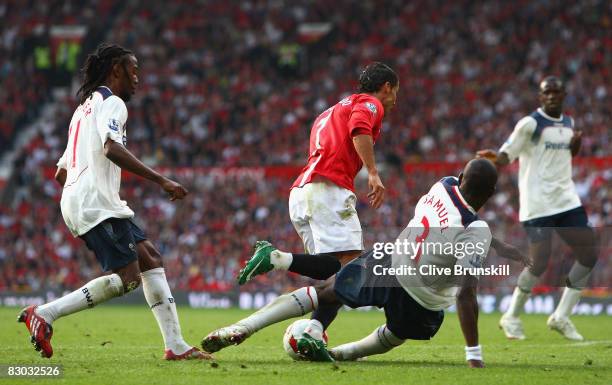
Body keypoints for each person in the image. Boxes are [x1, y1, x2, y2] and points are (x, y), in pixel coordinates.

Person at [203, 159, 526, 367]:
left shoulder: (442, 186)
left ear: (461, 177)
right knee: (397, 335)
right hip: (423, 299)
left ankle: (243, 326)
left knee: (326, 292)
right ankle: (341, 354)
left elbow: (460, 226)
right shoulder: (476, 230)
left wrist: (498, 244)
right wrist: (473, 354)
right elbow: (466, 294)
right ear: (493, 193)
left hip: (390, 262)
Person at [17, 43, 211, 360]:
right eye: (133, 70)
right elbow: (111, 149)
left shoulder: (82, 110)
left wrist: (85, 195)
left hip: (87, 200)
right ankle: (46, 314)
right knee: (129, 279)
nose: (137, 78)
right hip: (96, 203)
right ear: (116, 70)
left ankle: (176, 346)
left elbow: (60, 173)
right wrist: (161, 179)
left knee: (150, 257)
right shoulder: (113, 102)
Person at [236, 62, 399, 350]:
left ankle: (313, 331)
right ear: (386, 87)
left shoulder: (330, 110)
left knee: (332, 274)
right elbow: (359, 129)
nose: (395, 98)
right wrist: (372, 172)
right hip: (328, 189)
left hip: (302, 191)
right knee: (351, 267)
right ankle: (278, 260)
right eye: (395, 91)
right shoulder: (370, 103)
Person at [477, 76, 598, 341]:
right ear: (540, 97)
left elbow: (565, 155)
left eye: (556, 91)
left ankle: (561, 316)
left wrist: (574, 146)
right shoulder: (530, 124)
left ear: (564, 94)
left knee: (589, 254)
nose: (552, 96)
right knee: (539, 262)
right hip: (538, 203)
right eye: (547, 93)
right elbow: (508, 154)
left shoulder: (569, 123)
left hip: (567, 199)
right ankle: (510, 316)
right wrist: (494, 158)